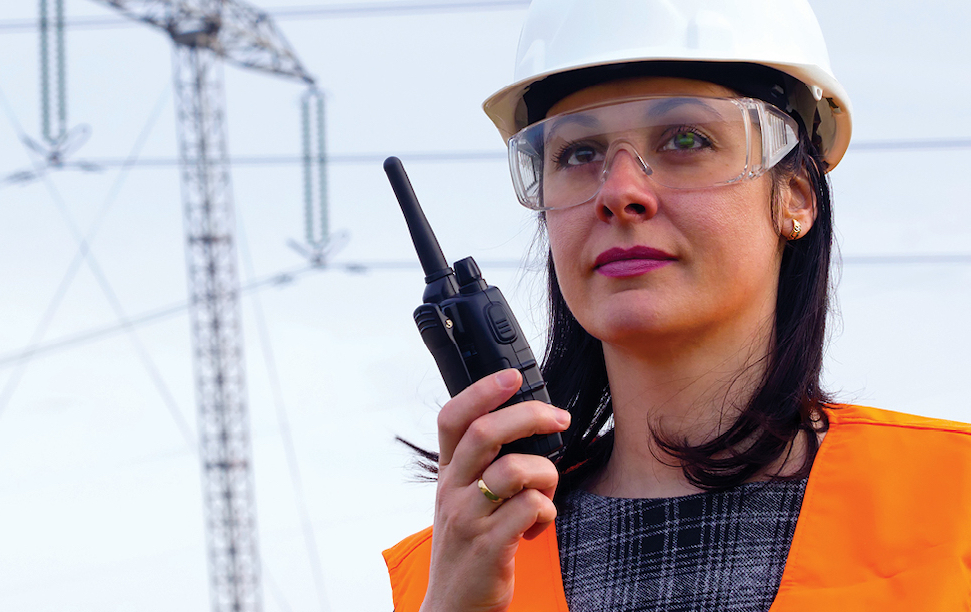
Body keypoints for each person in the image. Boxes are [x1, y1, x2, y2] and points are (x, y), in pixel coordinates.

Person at [383, 1, 971, 611]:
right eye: (579, 154)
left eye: (685, 139)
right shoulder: (452, 570)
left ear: (794, 198)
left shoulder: (956, 505)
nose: (619, 192)